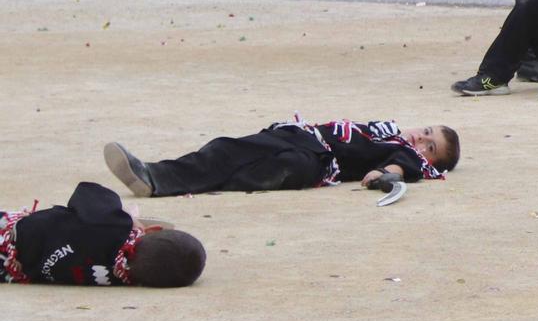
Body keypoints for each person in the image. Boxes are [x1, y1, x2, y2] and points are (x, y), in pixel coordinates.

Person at [104, 119, 459, 196]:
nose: (421, 140)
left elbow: (403, 164)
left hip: (319, 163)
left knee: (275, 168)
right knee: (225, 148)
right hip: (302, 135)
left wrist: (387, 174)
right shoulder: (389, 128)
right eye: (426, 133)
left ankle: (162, 181)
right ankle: (153, 175)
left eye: (431, 147)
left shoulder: (408, 155)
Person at [1, 183, 204, 288]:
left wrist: (127, 218)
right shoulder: (119, 277)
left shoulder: (113, 225)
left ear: (154, 230)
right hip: (10, 269)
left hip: (9, 235)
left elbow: (87, 192)